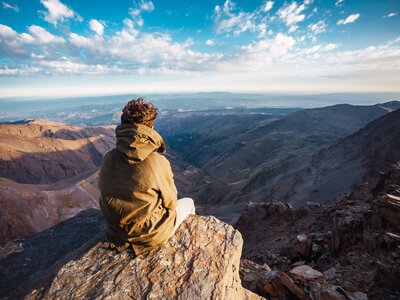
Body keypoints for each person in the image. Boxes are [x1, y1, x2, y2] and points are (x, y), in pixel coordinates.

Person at [98, 98, 195, 256]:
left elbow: (104, 193)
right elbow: (170, 202)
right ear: (151, 127)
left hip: (117, 232)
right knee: (189, 203)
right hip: (150, 234)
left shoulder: (109, 157)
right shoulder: (157, 161)